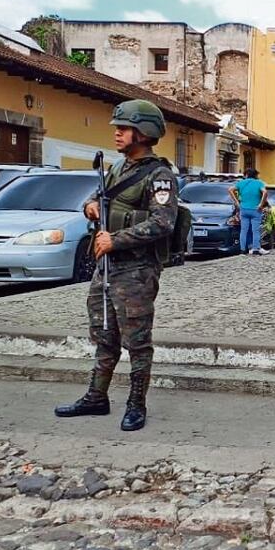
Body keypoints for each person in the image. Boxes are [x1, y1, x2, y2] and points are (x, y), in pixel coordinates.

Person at [55, 99, 178, 431]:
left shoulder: (160, 176)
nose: (117, 134)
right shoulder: (116, 169)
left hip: (136, 271)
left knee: (137, 340)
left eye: (123, 128)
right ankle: (96, 397)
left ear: (144, 132)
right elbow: (99, 198)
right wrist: (90, 206)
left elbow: (163, 223)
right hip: (106, 267)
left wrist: (116, 239)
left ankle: (136, 405)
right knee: (104, 334)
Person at [231, 168, 268, 255]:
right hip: (255, 209)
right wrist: (261, 204)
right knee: (255, 230)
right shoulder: (259, 183)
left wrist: (236, 202)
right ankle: (255, 249)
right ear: (255, 175)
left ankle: (243, 250)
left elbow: (230, 190)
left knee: (244, 230)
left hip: (243, 209)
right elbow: (265, 192)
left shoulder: (241, 183)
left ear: (246, 175)